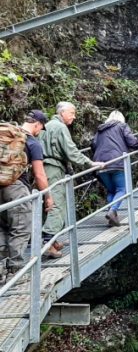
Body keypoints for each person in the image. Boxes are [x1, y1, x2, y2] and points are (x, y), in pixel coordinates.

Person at [39, 102, 102, 259]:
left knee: (49, 204)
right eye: (72, 113)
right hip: (53, 169)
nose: (74, 116)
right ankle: (47, 244)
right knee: (56, 205)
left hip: (43, 168)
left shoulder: (45, 126)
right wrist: (90, 163)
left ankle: (52, 241)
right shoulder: (60, 127)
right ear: (62, 113)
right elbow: (71, 151)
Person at [0, 110, 54, 285]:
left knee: (2, 228)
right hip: (15, 188)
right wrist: (48, 196)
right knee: (21, 228)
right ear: (37, 124)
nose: (40, 131)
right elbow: (39, 175)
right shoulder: (32, 143)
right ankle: (16, 271)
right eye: (41, 128)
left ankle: (2, 269)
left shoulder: (6, 136)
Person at [92, 111, 138, 227]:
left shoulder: (100, 130)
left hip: (100, 164)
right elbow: (131, 140)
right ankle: (112, 211)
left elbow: (94, 144)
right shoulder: (122, 126)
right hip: (117, 162)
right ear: (121, 118)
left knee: (111, 191)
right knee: (121, 189)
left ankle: (112, 216)